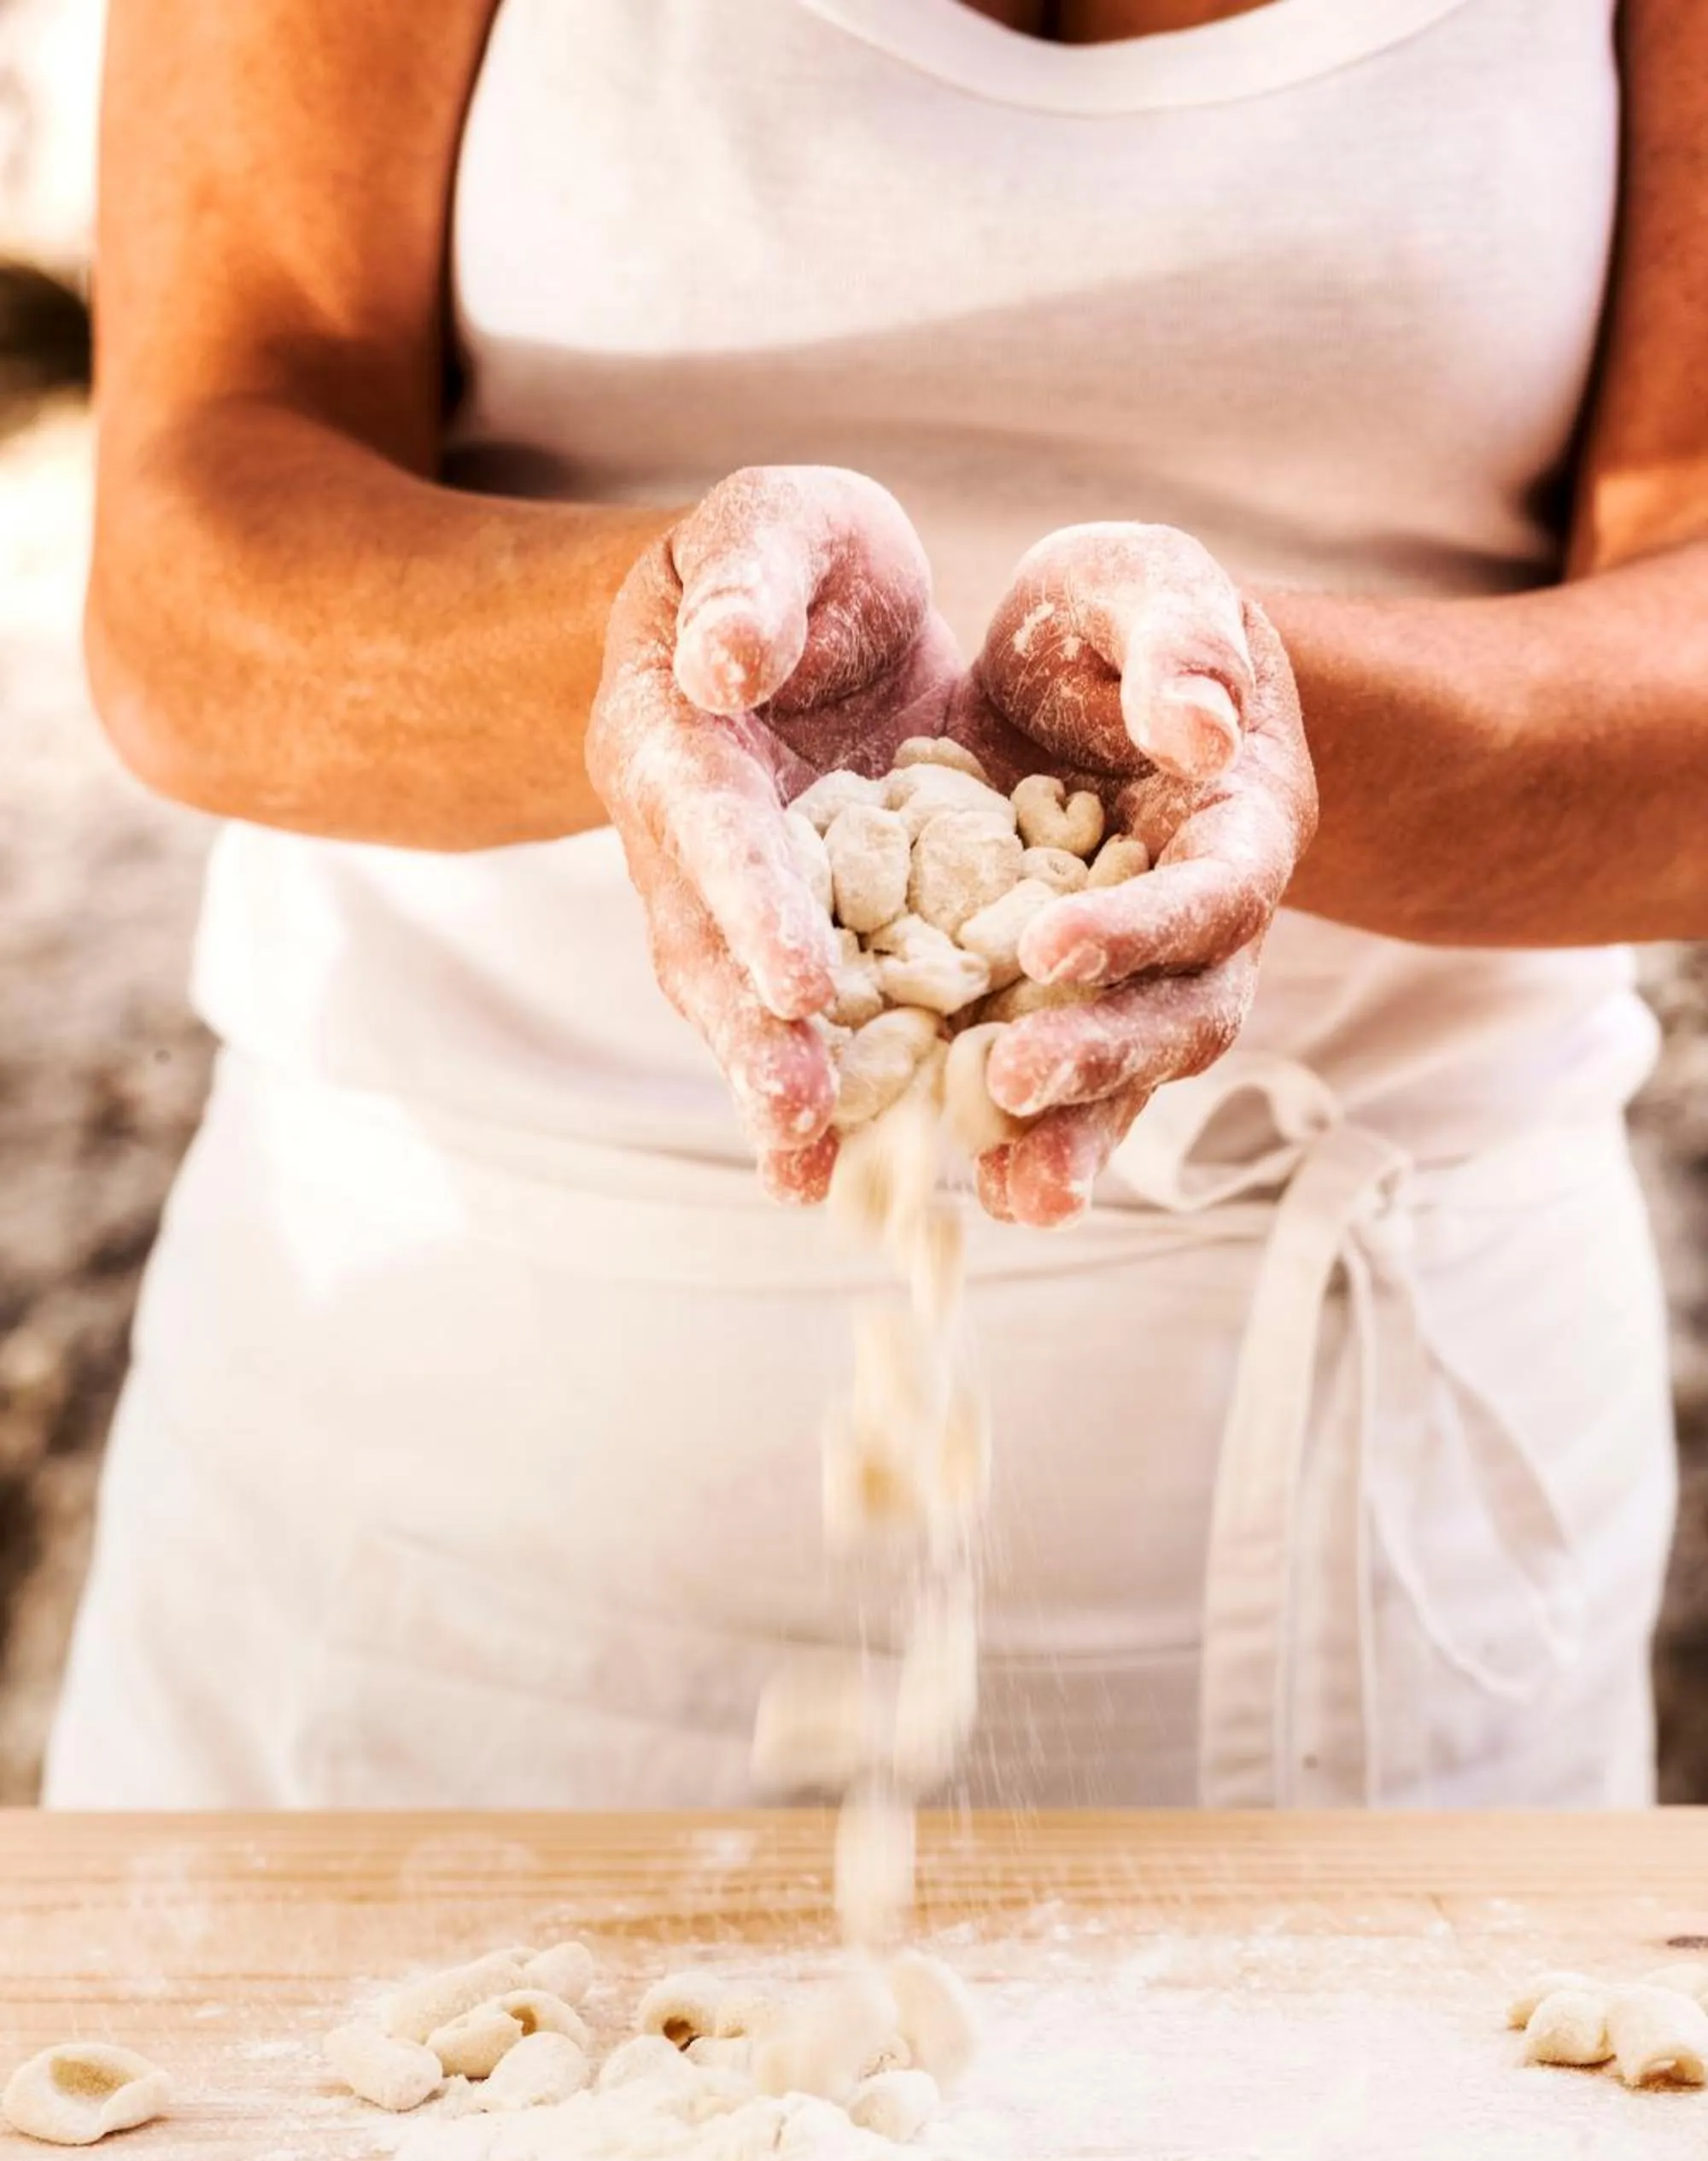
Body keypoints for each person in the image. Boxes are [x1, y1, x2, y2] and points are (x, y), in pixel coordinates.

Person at [49, 0, 1702, 1813]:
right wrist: (658, 655)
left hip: (1375, 1530)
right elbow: (185, 586)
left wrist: (1253, 718)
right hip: (427, 1462)